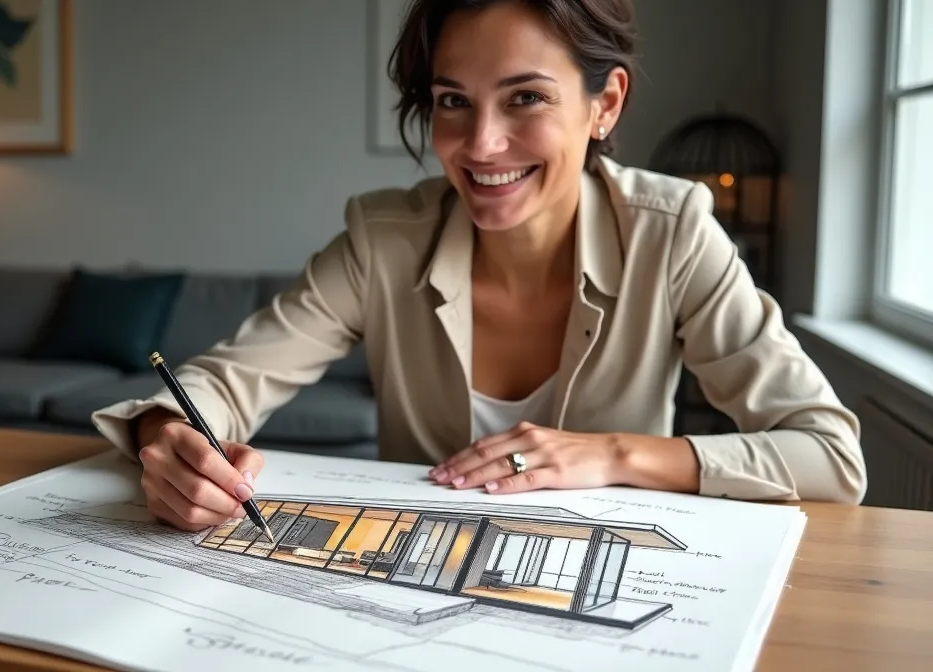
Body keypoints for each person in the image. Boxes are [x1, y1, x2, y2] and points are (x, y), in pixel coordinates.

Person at [92, 0, 867, 533]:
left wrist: (614, 453)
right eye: (453, 102)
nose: (481, 145)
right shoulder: (383, 238)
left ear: (606, 105)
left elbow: (828, 454)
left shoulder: (673, 234)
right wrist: (170, 439)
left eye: (525, 98)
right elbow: (221, 385)